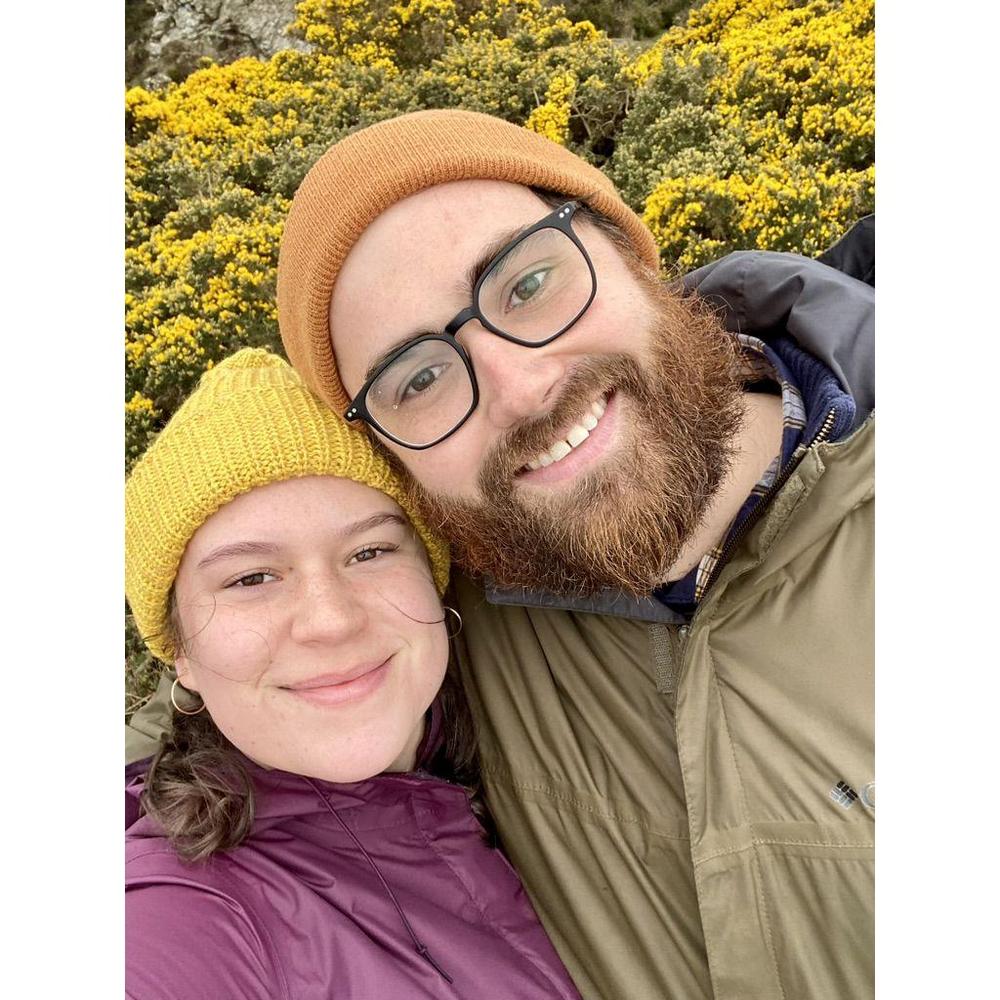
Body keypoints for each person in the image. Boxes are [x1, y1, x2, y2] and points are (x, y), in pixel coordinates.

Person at [127, 109, 875, 1000]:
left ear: (626, 249)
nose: (521, 388)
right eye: (417, 378)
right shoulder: (442, 608)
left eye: (528, 283)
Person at [124, 348, 582, 1000]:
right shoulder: (176, 917)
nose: (331, 620)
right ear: (181, 653)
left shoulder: (545, 752)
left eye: (369, 551)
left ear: (435, 580)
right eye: (251, 578)